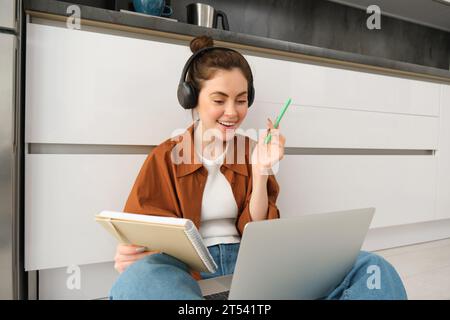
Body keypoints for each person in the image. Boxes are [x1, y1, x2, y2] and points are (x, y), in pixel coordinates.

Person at [109, 35, 407, 300]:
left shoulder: (251, 150)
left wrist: (262, 171)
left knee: (370, 268)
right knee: (140, 281)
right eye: (219, 100)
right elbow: (143, 232)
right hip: (188, 273)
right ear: (191, 99)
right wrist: (135, 253)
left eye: (241, 100)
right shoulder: (166, 156)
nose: (232, 112)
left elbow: (262, 233)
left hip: (252, 265)